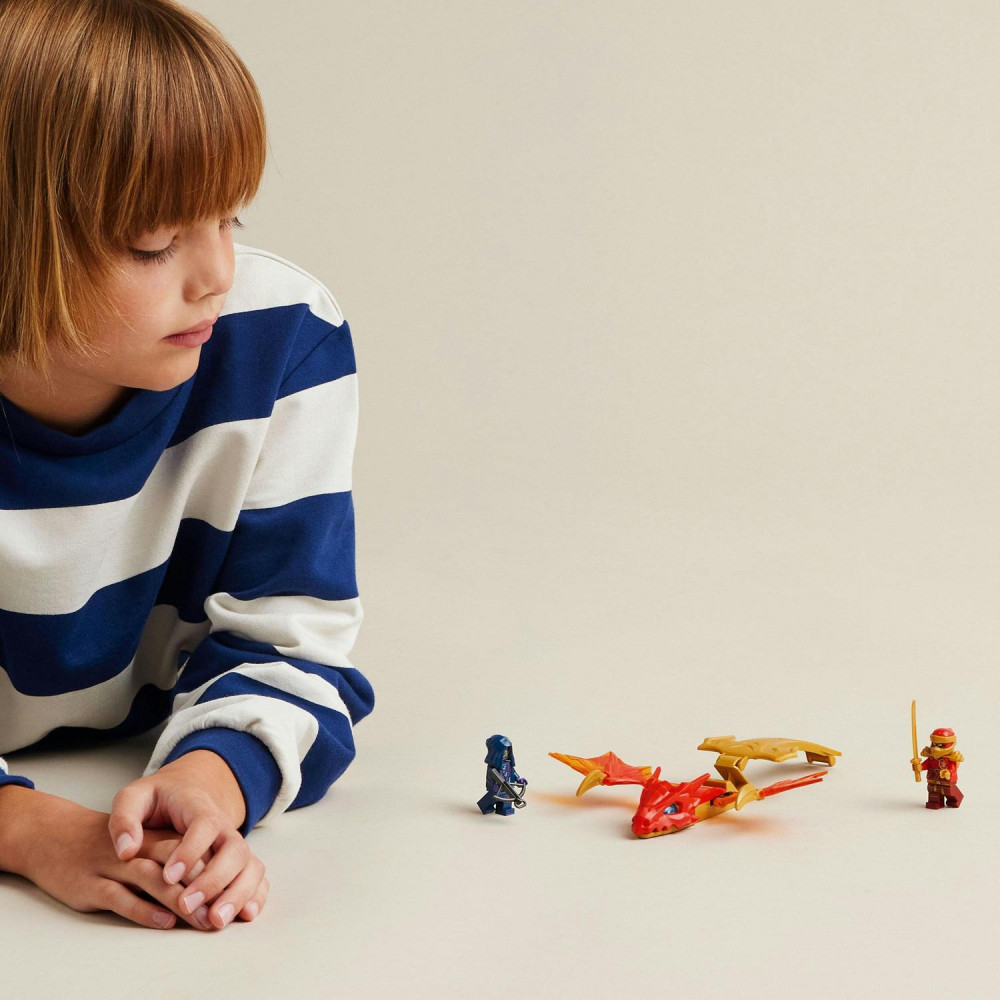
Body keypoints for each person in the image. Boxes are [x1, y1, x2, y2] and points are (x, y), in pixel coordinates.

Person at [0, 0, 374, 932]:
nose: (216, 274)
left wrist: (209, 785)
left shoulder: (280, 338)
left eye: (230, 217)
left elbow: (291, 641)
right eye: (154, 242)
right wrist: (30, 830)